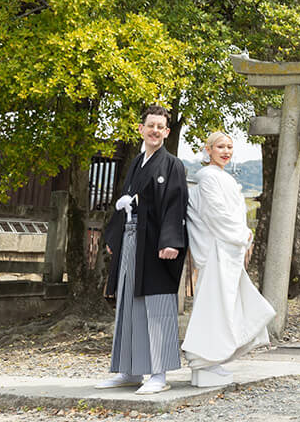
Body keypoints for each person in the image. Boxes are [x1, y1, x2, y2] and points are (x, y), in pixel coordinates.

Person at [97, 105, 189, 395]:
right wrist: (115, 236)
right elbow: (126, 200)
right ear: (141, 129)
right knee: (128, 301)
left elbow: (176, 203)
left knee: (157, 302)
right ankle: (130, 370)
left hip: (157, 242)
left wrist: (171, 241)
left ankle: (159, 373)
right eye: (151, 125)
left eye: (160, 127)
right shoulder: (137, 162)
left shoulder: (172, 164)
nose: (155, 131)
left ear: (167, 132)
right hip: (131, 238)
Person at [182, 132, 275, 387]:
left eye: (230, 147)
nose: (226, 151)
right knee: (215, 304)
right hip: (218, 248)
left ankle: (212, 360)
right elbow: (216, 213)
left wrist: (241, 235)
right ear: (208, 150)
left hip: (227, 248)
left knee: (225, 304)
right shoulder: (209, 178)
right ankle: (203, 358)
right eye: (220, 146)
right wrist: (241, 234)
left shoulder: (222, 178)